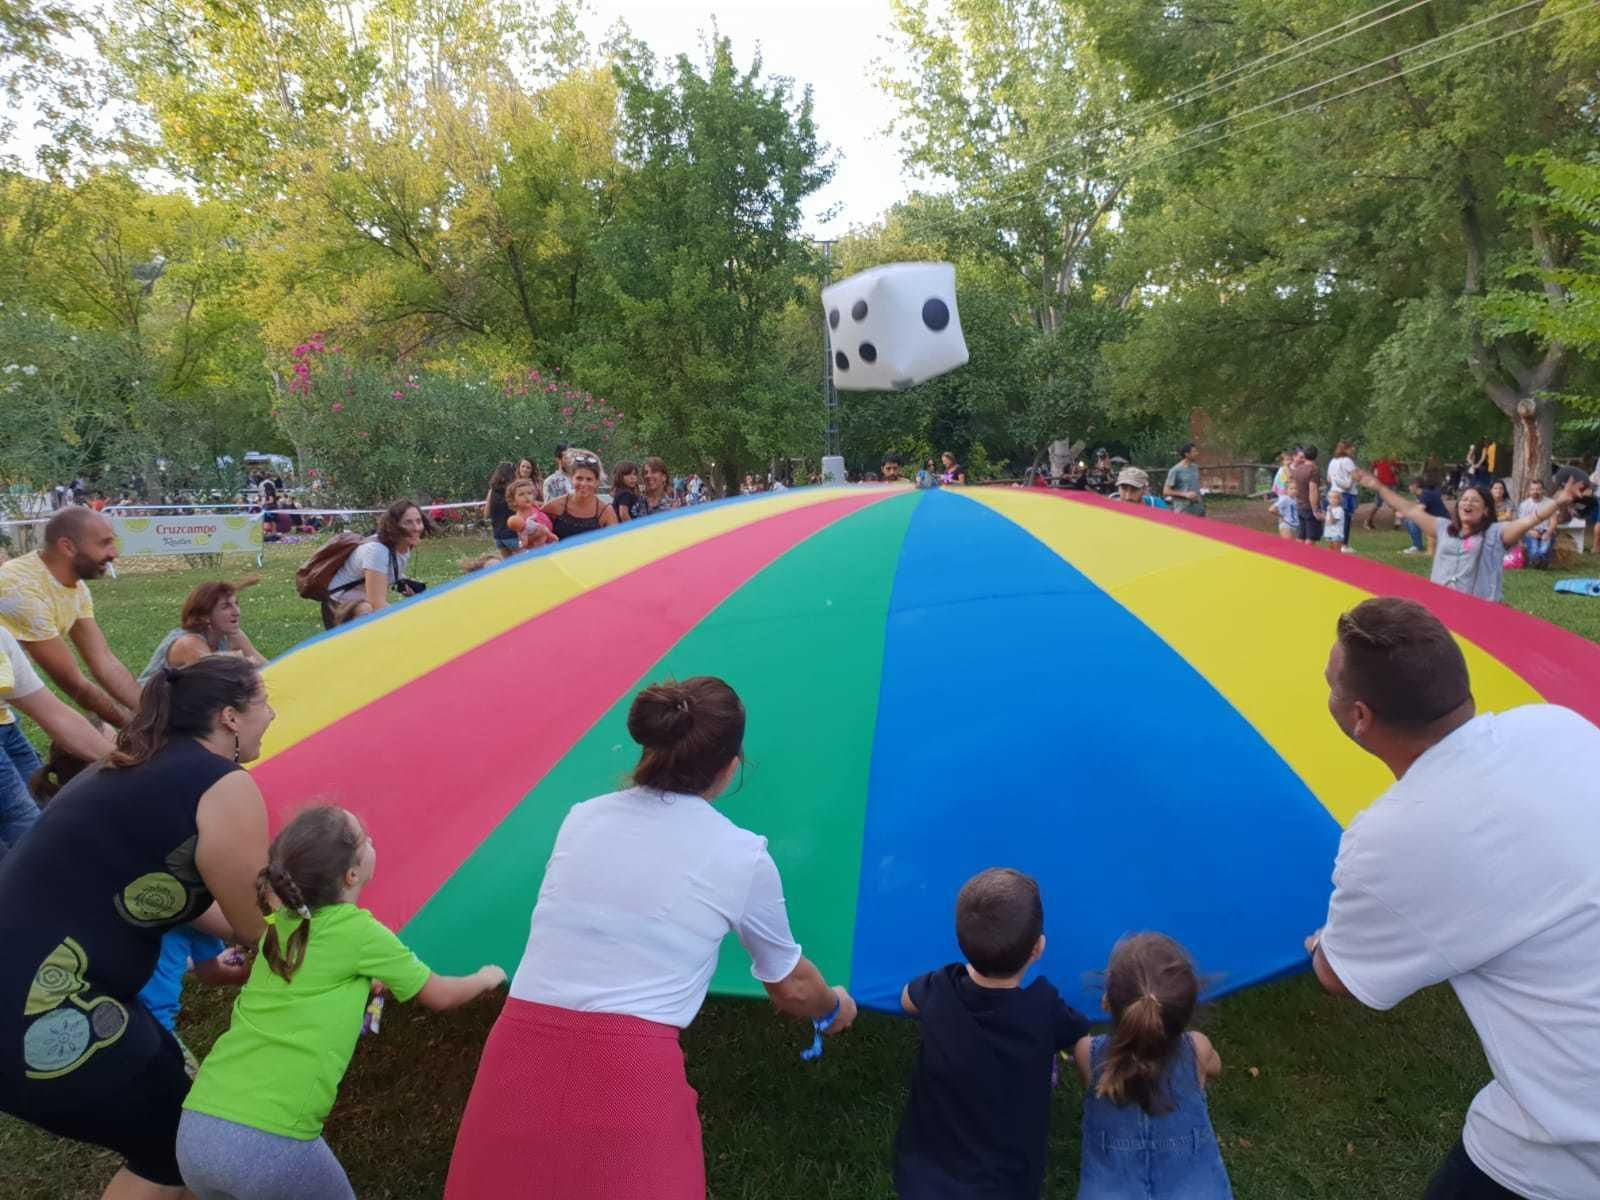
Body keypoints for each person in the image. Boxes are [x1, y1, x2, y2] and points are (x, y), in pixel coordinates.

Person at [445, 677, 858, 1199]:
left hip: (518, 1053)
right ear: (732, 767)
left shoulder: (582, 818)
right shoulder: (741, 855)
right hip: (628, 1073)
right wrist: (832, 1008)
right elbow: (792, 986)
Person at [1307, 597, 1600, 1200]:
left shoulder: (1389, 840)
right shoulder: (1557, 724)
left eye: (1331, 683)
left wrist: (1323, 944)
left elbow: (1338, 975)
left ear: (1358, 717)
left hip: (1573, 1133)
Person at [0, 656, 273, 1200]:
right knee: (178, 1150)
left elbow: (193, 906)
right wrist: (348, 946)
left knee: (191, 1125)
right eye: (264, 702)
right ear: (230, 718)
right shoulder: (223, 786)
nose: (275, 714)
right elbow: (258, 929)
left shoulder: (135, 767)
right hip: (42, 1009)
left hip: (25, 995)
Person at [177, 806, 504, 1200]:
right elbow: (440, 995)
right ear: (352, 874)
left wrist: (362, 989)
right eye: (364, 839)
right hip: (269, 1140)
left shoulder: (278, 933)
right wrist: (486, 977)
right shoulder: (359, 931)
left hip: (198, 1127)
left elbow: (312, 983)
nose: (373, 842)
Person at [893, 868, 1091, 1198]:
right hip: (1005, 1183)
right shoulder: (1044, 1007)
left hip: (926, 1178)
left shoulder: (941, 988)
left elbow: (906, 999)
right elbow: (1080, 1036)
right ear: (1038, 948)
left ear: (959, 942)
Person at [1072, 933, 1230, 1199]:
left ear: (1106, 1003)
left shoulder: (1088, 1052)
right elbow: (1216, 1068)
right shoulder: (1198, 1049)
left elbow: (1094, 1081)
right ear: (1186, 1012)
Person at [0, 507, 143, 728]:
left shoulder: (76, 588)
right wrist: (141, 728)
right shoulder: (19, 588)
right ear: (68, 546)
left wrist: (155, 715)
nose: (114, 553)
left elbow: (104, 660)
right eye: (104, 543)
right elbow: (74, 683)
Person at [1354, 472, 1581, 602]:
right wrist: (1378, 487)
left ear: (1485, 511)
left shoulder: (1495, 533)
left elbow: (1529, 520)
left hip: (1479, 610)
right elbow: (1411, 510)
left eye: (1475, 501)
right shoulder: (1443, 528)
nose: (1467, 503)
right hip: (1440, 606)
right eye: (1464, 499)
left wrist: (1558, 501)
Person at [0, 625, 115, 857]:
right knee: (26, 822)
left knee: (49, 805)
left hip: (7, 726)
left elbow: (54, 713)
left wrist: (132, 764)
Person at [137, 579, 268, 688]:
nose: (236, 611)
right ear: (204, 616)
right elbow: (213, 673)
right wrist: (241, 659)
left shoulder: (233, 635)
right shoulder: (188, 643)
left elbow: (266, 668)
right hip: (150, 711)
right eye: (226, 606)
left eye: (236, 604)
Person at [322, 500, 427, 628]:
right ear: (394, 525)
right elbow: (378, 605)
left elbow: (386, 572)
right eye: (408, 522)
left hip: (362, 601)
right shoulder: (377, 551)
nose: (416, 528)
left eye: (418, 521)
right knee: (367, 610)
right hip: (339, 606)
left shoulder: (403, 546)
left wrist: (406, 583)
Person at [542, 453, 617, 542]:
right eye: (579, 478)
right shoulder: (556, 506)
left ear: (597, 482)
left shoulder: (605, 512)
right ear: (571, 479)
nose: (583, 484)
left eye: (589, 479)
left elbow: (614, 544)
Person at [1550, 463, 1597, 555]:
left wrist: (1548, 498)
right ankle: (1576, 513)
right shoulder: (1565, 474)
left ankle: (1574, 513)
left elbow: (1555, 489)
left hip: (1585, 487)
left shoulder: (1560, 475)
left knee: (1569, 498)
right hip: (1586, 486)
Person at [1326, 440, 1358, 552]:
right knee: (1346, 519)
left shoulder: (1332, 461)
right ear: (1346, 449)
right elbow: (1355, 476)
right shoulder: (1347, 461)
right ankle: (1344, 544)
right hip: (1346, 493)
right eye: (1351, 448)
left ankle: (1333, 543)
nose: (1353, 450)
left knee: (1334, 519)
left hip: (1333, 492)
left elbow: (1329, 479)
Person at [1518, 479, 1557, 568]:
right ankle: (1541, 562)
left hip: (1546, 531)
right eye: (1533, 489)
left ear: (1543, 490)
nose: (1535, 492)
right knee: (1534, 551)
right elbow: (1522, 523)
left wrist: (1548, 533)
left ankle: (1538, 562)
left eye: (1538, 489)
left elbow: (1553, 521)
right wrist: (1530, 531)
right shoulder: (1524, 505)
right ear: (1529, 491)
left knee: (1543, 549)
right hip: (1531, 531)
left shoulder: (1550, 503)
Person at [483, 462, 518, 556]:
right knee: (523, 565)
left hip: (498, 536)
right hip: (513, 534)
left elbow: (486, 513)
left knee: (507, 566)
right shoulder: (512, 491)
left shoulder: (491, 491)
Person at [1163, 443, 1205, 516]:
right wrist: (1185, 494)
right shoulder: (1175, 470)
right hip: (1183, 511)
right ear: (1187, 454)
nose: (1197, 453)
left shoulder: (1195, 467)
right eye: (1194, 451)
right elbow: (1166, 491)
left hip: (1198, 509)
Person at [1293, 446, 1324, 544]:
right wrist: (1315, 509)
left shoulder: (1297, 469)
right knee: (1310, 538)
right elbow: (1313, 490)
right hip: (1309, 507)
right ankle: (1307, 559)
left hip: (1299, 505)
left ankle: (1297, 557)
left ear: (1304, 455)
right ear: (1316, 456)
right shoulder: (1314, 470)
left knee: (1300, 536)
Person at [1363, 455, 1402, 529]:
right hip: (1381, 485)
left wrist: (1395, 470)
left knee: (1394, 504)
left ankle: (1397, 522)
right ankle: (1367, 521)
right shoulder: (1377, 457)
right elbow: (1371, 469)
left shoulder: (1393, 457)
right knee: (1377, 504)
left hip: (1392, 484)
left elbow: (1399, 470)